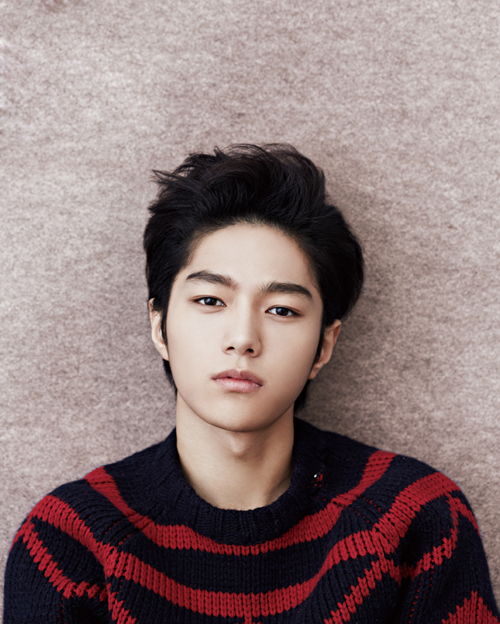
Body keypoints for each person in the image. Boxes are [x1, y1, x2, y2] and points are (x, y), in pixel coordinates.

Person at [4, 144, 499, 623]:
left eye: (282, 310)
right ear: (159, 326)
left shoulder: (414, 518)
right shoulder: (71, 540)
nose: (242, 338)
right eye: (210, 301)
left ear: (324, 345)